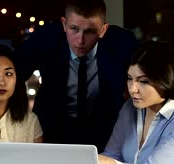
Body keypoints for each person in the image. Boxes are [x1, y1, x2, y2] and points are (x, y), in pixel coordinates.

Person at [15, 0, 139, 152]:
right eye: (74, 29)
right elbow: (14, 75)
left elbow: (150, 76)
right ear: (64, 24)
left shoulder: (123, 43)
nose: (80, 41)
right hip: (52, 127)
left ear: (103, 29)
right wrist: (19, 117)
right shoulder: (46, 38)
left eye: (90, 31)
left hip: (106, 129)